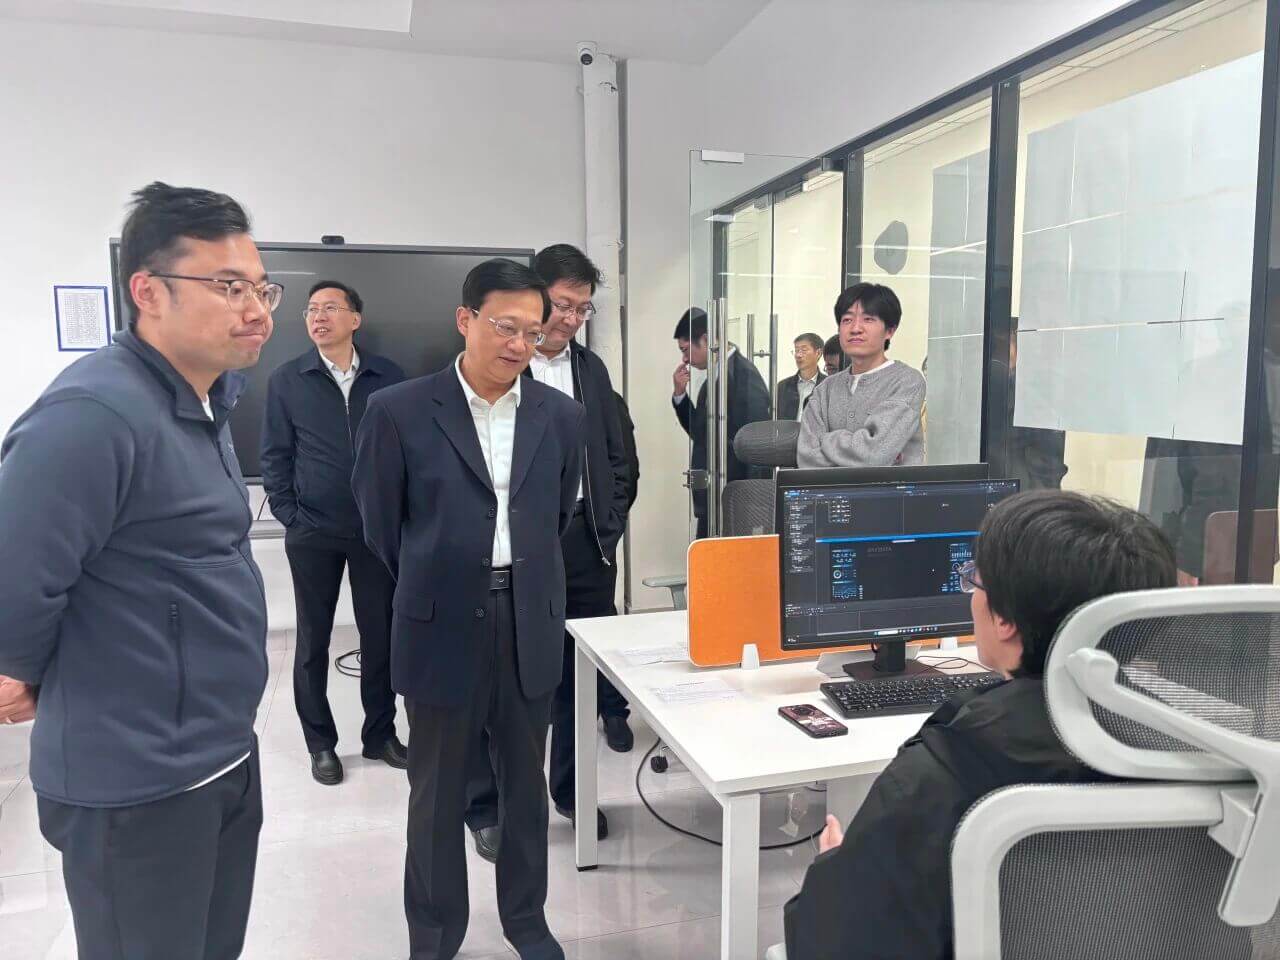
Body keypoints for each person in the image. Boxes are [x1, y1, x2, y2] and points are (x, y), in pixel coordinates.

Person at [0, 182, 278, 960]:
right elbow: (16, 573)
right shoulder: (94, 414)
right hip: (137, 782)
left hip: (219, 752)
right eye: (228, 286)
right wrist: (25, 669)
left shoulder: (204, 401)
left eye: (262, 288)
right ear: (148, 291)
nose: (257, 310)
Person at [782, 490, 1178, 959]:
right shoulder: (1193, 749)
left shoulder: (945, 772)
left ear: (1005, 618)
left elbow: (836, 945)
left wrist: (835, 866)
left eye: (975, 580)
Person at [352, 258, 585, 960]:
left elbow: (558, 515)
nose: (519, 344)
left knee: (524, 788)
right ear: (464, 319)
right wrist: (441, 574)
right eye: (504, 326)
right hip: (440, 619)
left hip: (529, 619)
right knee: (436, 792)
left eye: (532, 331)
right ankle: (434, 934)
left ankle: (527, 922)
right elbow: (380, 525)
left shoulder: (561, 416)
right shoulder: (397, 411)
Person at [464, 244, 632, 861]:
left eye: (582, 309)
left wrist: (609, 520)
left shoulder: (591, 369)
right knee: (497, 675)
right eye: (562, 305)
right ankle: (489, 805)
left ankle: (570, 791)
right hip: (511, 545)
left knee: (575, 677)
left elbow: (617, 450)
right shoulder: (499, 366)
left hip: (584, 541)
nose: (570, 319)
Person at [261, 280, 408, 785]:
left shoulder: (388, 377)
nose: (318, 317)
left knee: (381, 636)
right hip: (313, 532)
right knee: (312, 641)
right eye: (311, 310)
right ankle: (320, 743)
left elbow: (407, 449)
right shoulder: (287, 379)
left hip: (374, 532)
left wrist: (396, 512)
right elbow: (274, 455)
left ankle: (380, 734)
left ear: (355, 319)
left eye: (329, 308)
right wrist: (290, 513)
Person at [797, 282, 925, 469]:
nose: (855, 328)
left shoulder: (907, 382)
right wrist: (862, 452)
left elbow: (873, 454)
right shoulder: (824, 390)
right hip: (829, 490)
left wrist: (826, 440)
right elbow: (807, 458)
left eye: (868, 319)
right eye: (847, 320)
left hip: (892, 489)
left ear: (890, 330)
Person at [672, 307, 771, 537]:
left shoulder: (744, 375)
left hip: (735, 500)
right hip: (713, 496)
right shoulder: (715, 376)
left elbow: (757, 447)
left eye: (686, 349)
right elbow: (701, 433)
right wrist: (680, 395)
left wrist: (754, 509)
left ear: (706, 340)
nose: (684, 359)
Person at [777, 332, 827, 421]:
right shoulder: (782, 387)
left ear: (818, 353)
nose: (798, 355)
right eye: (796, 350)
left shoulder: (827, 385)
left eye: (804, 350)